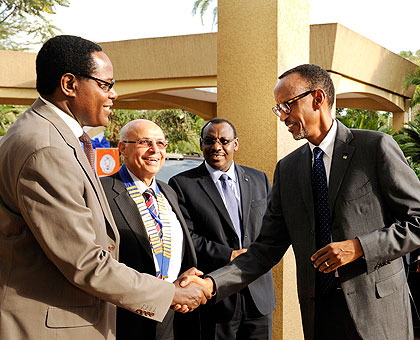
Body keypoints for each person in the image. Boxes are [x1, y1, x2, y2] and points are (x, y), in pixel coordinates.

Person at [185, 64, 420, 340]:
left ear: (317, 98)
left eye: (287, 105)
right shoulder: (288, 169)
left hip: (378, 313)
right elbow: (263, 251)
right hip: (319, 315)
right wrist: (211, 284)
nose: (282, 117)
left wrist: (359, 247)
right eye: (278, 109)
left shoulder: (375, 148)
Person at [0, 35, 210, 340]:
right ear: (70, 84)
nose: (113, 95)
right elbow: (85, 261)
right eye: (105, 85)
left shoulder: (55, 138)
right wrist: (169, 293)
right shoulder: (47, 149)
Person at [169, 119, 275, 340]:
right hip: (216, 300)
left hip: (258, 296)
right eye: (209, 141)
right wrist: (230, 255)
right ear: (201, 144)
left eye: (224, 141)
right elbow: (187, 238)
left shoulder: (259, 179)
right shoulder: (182, 184)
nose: (216, 147)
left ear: (235, 144)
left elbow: (272, 228)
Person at [101, 119, 201, 340]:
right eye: (145, 142)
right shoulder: (103, 192)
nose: (155, 150)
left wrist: (183, 282)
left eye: (161, 143)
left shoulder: (168, 192)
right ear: (122, 148)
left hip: (169, 316)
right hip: (124, 318)